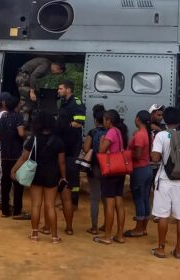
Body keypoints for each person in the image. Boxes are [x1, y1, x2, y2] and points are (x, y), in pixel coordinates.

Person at [11, 112, 66, 244]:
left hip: (36, 174)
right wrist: (63, 177)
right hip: (52, 175)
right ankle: (54, 237)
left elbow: (24, 157)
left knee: (36, 205)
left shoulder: (33, 139)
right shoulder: (58, 141)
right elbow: (62, 162)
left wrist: (14, 170)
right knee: (50, 206)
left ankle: (35, 234)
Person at [150, 107, 180, 259]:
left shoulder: (161, 135)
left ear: (165, 119)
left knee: (163, 215)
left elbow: (156, 158)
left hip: (165, 179)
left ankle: (161, 248)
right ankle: (178, 250)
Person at [54, 80, 86, 235]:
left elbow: (78, 123)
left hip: (72, 145)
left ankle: (73, 202)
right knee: (63, 171)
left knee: (72, 173)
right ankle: (66, 199)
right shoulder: (64, 103)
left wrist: (63, 127)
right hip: (63, 144)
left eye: (60, 87)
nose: (58, 90)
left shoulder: (76, 103)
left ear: (68, 89)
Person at [93, 109, 128, 244]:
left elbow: (102, 150)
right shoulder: (119, 131)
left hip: (111, 170)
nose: (104, 122)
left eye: (105, 119)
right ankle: (119, 234)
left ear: (109, 121)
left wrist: (102, 139)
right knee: (119, 203)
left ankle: (107, 235)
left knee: (109, 203)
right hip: (120, 170)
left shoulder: (111, 132)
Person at [0, 96, 29, 219]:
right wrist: (26, 135)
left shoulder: (3, 118)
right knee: (18, 183)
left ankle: (5, 210)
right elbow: (20, 133)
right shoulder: (18, 117)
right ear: (16, 106)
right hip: (16, 155)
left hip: (5, 155)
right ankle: (17, 211)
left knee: (5, 182)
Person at [124, 110, 153, 237]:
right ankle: (144, 227)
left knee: (139, 199)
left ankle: (138, 229)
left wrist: (126, 154)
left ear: (138, 119)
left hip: (139, 169)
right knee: (145, 198)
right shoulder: (147, 133)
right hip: (147, 168)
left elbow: (138, 154)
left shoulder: (140, 135)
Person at [15, 57, 65, 123]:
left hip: (26, 78)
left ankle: (28, 123)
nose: (56, 74)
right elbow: (33, 76)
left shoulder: (47, 64)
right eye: (58, 72)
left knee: (32, 101)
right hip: (23, 78)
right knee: (26, 102)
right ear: (57, 67)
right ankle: (21, 124)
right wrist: (32, 92)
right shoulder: (46, 65)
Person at [83, 104, 107, 235]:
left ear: (95, 120)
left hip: (94, 167)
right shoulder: (111, 132)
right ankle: (106, 225)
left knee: (94, 198)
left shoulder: (92, 132)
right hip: (108, 168)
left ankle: (94, 227)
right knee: (107, 198)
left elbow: (86, 148)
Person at [0, 92, 12, 210]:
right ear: (4, 102)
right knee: (4, 176)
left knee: (0, 175)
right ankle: (0, 200)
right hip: (5, 148)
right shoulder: (5, 114)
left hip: (0, 147)